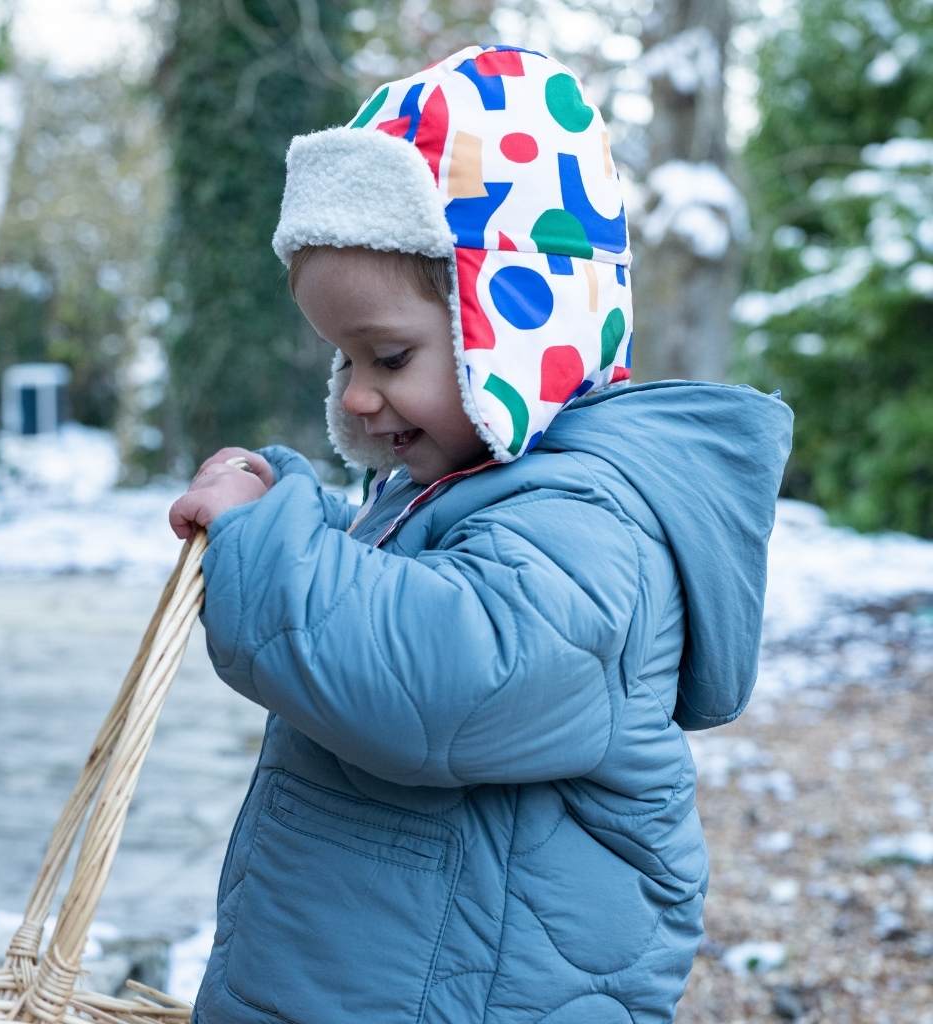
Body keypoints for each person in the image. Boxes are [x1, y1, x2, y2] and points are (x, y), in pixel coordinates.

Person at [169, 43, 793, 1024]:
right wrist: (294, 511)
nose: (359, 392)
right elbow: (408, 588)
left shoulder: (594, 522)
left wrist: (271, 546)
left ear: (514, 327)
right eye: (344, 357)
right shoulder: (473, 491)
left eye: (388, 353)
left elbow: (452, 673)